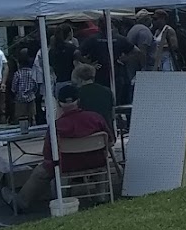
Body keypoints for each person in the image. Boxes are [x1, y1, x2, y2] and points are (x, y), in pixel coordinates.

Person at [10, 84, 112, 212]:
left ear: (59, 103)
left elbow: (48, 154)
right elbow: (110, 140)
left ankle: (21, 202)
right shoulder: (96, 118)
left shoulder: (56, 126)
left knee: (41, 171)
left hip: (66, 165)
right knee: (101, 160)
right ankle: (101, 196)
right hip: (96, 161)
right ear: (78, 100)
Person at [72, 63, 115, 138]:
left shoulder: (76, 94)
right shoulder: (107, 91)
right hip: (106, 134)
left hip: (86, 135)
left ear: (79, 79)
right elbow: (112, 114)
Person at [8, 46, 40, 126]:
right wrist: (33, 93)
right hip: (31, 98)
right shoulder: (32, 73)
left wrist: (15, 93)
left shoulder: (17, 74)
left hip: (20, 99)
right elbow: (35, 86)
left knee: (21, 117)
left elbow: (14, 88)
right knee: (32, 116)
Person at [124, 10, 155, 87]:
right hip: (139, 66)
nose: (151, 19)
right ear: (146, 19)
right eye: (150, 17)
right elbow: (142, 51)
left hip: (132, 65)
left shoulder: (134, 28)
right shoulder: (144, 31)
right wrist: (143, 68)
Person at [47, 22, 79, 88]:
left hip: (58, 82)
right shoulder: (72, 48)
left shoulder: (52, 50)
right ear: (70, 33)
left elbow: (51, 67)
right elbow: (77, 64)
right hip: (71, 82)